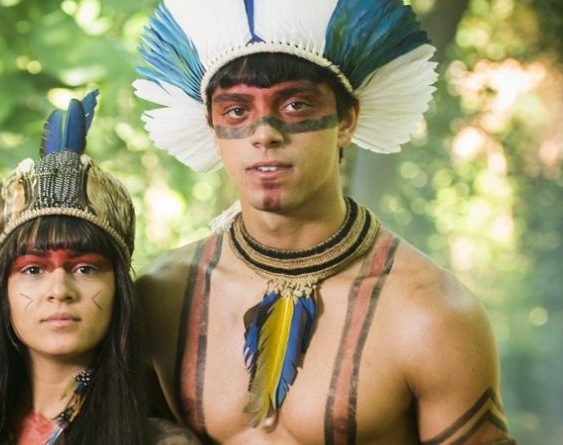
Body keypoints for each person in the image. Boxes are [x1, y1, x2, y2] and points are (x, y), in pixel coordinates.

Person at [132, 1, 517, 444]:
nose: (264, 133)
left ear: (347, 120)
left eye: (295, 105)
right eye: (237, 111)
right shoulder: (159, 297)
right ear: (212, 128)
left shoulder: (431, 315)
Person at [0, 90, 199, 444]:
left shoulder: (161, 442)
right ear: (1, 293)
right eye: (33, 270)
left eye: (85, 268)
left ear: (119, 291)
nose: (60, 290)